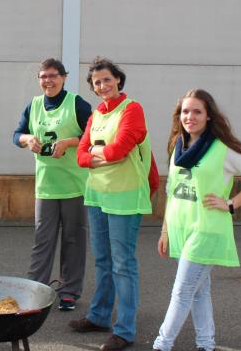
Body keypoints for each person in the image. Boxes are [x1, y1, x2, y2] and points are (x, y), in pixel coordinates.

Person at [152, 89, 241, 351]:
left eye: (197, 111)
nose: (190, 116)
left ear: (208, 116)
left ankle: (161, 345)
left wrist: (231, 204)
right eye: (185, 111)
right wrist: (165, 231)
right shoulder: (178, 147)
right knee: (198, 291)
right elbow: (173, 190)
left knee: (182, 292)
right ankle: (206, 344)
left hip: (207, 230)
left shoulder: (222, 149)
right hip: (182, 228)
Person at [69, 57, 159, 351]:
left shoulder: (132, 109)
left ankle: (125, 330)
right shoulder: (96, 115)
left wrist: (97, 154)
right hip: (97, 195)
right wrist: (96, 155)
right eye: (97, 82)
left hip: (125, 196)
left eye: (107, 79)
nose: (103, 85)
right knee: (104, 260)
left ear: (118, 80)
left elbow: (121, 149)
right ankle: (99, 316)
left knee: (123, 264)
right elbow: (81, 154)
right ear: (93, 88)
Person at [13, 58, 92, 311]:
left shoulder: (77, 104)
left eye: (53, 75)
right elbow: (16, 134)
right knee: (42, 240)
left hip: (75, 185)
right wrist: (27, 139)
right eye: (43, 76)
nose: (48, 81)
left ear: (64, 77)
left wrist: (69, 142)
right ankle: (36, 289)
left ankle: (69, 290)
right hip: (46, 186)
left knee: (73, 239)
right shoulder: (33, 106)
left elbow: (94, 135)